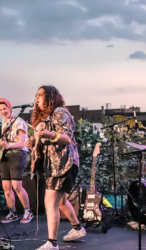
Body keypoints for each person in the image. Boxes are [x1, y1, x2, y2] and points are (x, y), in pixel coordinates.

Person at [26, 86, 86, 250]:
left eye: (41, 95)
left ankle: (52, 243)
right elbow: (45, 138)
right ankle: (78, 229)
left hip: (63, 164)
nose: (37, 98)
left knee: (50, 203)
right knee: (60, 202)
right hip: (54, 165)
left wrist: (47, 135)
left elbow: (66, 138)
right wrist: (33, 140)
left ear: (50, 97)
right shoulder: (47, 117)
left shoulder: (59, 112)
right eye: (36, 95)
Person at [0, 98, 33, 224]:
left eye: (4, 108)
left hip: (17, 154)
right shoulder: (5, 122)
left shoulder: (19, 122)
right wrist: (1, 144)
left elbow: (21, 144)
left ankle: (28, 211)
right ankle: (13, 212)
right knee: (6, 187)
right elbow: (6, 141)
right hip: (5, 155)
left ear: (10, 107)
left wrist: (8, 146)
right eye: (0, 110)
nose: (3, 112)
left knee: (17, 186)